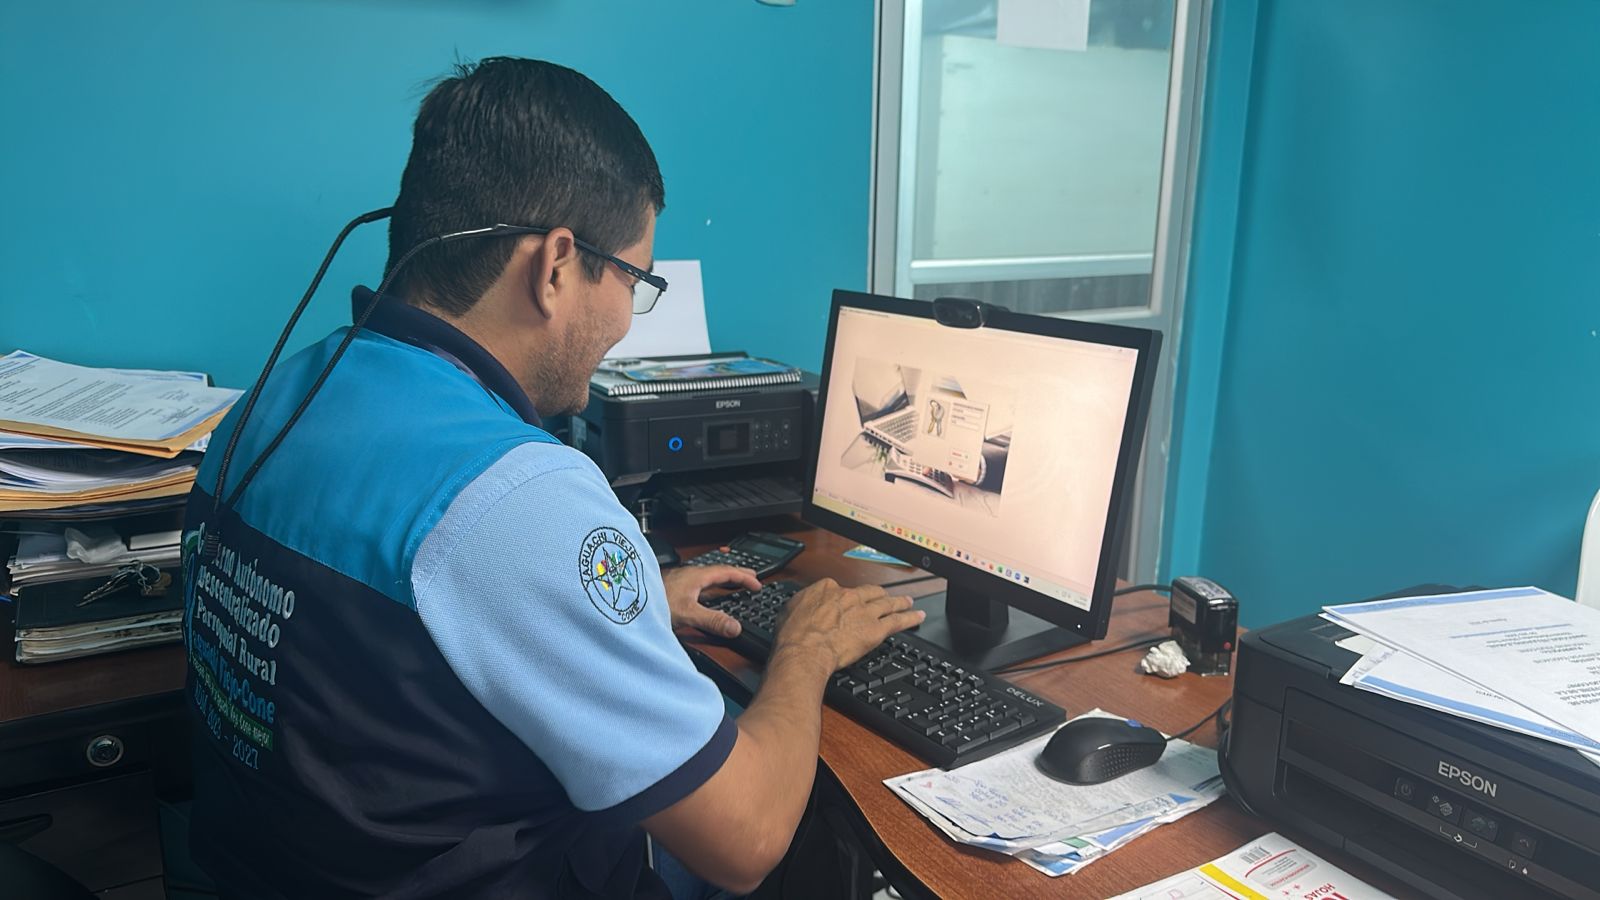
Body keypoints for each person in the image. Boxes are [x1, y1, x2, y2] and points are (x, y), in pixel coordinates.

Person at [178, 57, 923, 899]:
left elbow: (405, 632)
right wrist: (806, 651)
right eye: (636, 280)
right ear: (558, 264)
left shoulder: (279, 394)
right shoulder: (517, 495)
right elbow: (746, 838)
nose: (626, 320)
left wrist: (622, 605)